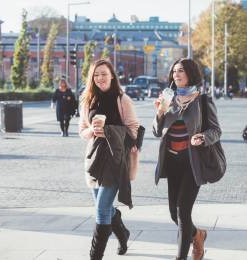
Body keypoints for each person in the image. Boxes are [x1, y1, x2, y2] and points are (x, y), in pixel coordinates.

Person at [153, 58, 222, 260]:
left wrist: (203, 137)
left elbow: (216, 130)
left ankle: (180, 257)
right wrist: (159, 113)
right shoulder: (168, 98)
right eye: (174, 71)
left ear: (190, 73)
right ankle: (198, 235)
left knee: (183, 211)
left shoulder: (202, 100)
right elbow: (157, 132)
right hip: (172, 162)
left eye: (180, 70)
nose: (176, 74)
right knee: (174, 214)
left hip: (193, 163)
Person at [79, 59, 139, 260]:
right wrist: (92, 131)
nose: (100, 78)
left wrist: (109, 132)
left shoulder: (122, 99)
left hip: (116, 159)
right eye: (96, 75)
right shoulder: (88, 100)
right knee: (103, 207)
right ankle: (123, 234)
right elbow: (82, 131)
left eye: (104, 73)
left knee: (101, 209)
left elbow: (133, 131)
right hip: (95, 158)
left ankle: (95, 256)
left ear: (112, 75)